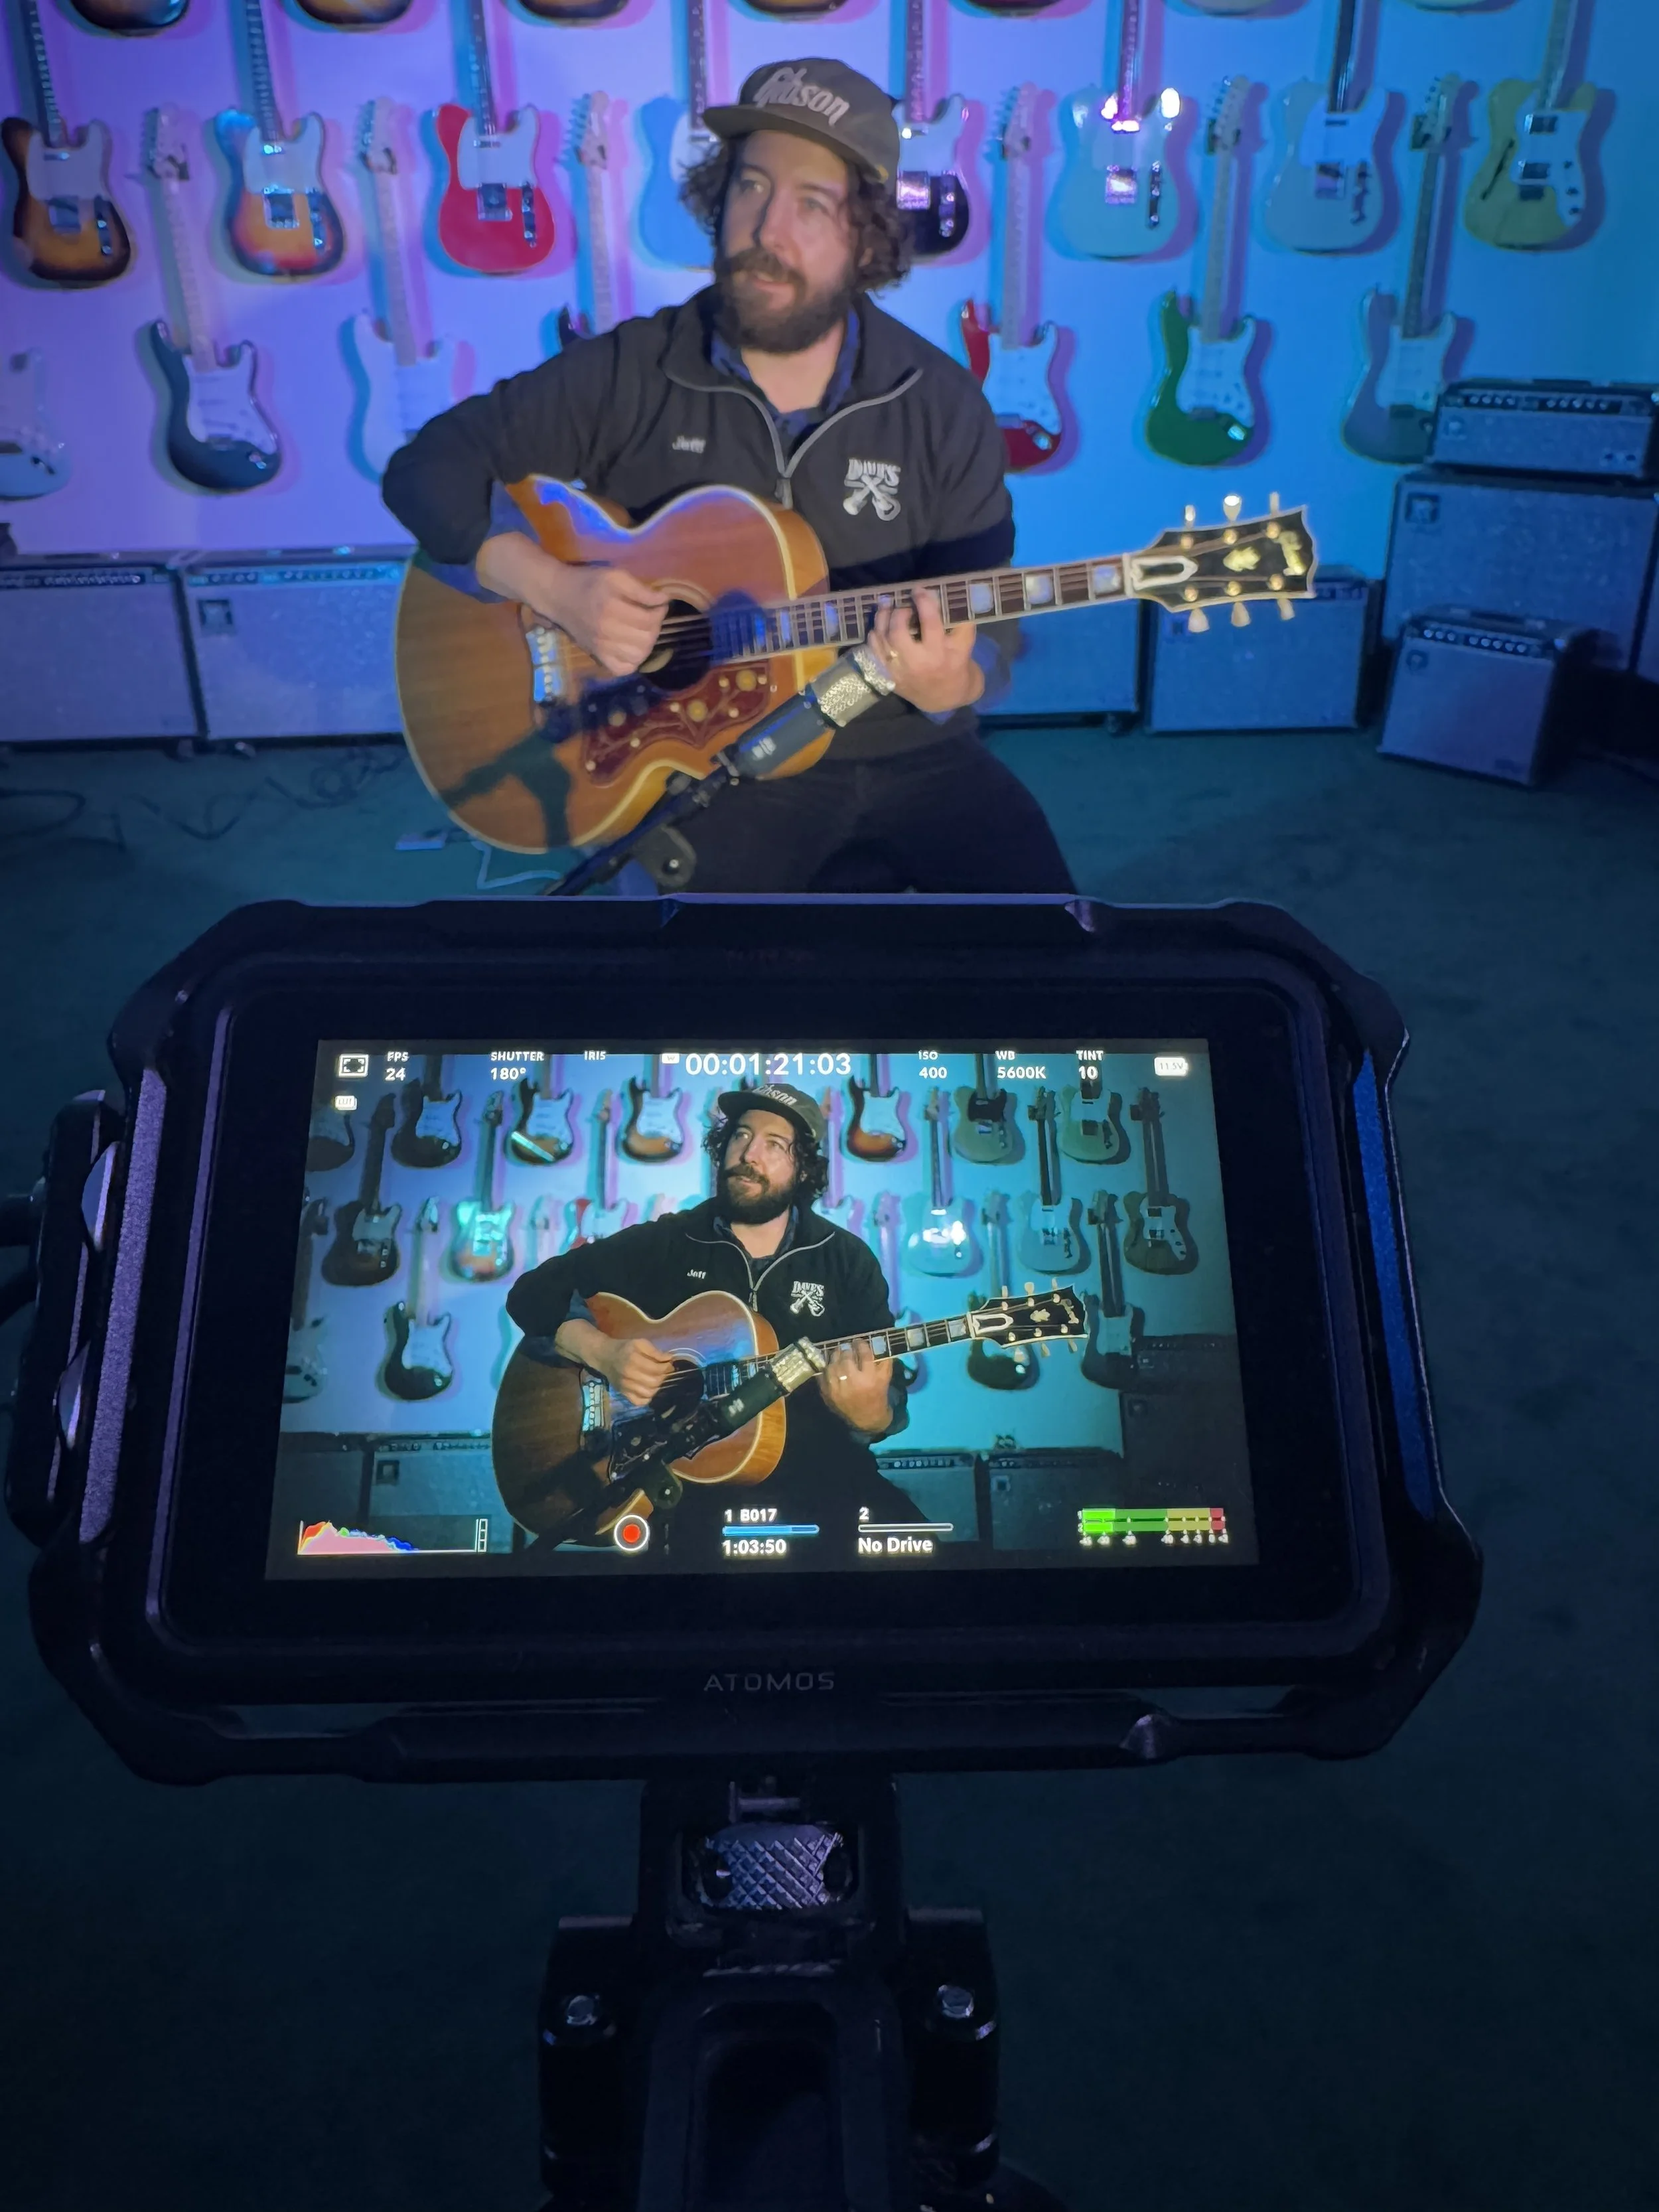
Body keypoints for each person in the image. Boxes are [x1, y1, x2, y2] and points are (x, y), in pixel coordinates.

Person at [381, 58, 1074, 895]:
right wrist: (557, 591)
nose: (764, 231)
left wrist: (952, 681)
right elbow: (427, 470)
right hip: (707, 764)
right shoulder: (634, 368)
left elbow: (987, 615)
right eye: (749, 188)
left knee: (1048, 948)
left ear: (867, 239)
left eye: (811, 206)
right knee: (698, 995)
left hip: (906, 749)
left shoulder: (940, 403)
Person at [504, 1083, 930, 1566]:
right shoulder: (669, 1241)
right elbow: (532, 1293)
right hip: (680, 1491)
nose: (749, 1153)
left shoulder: (847, 1260)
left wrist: (871, 1416)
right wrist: (603, 1353)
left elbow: (888, 1401)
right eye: (740, 1136)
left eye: (774, 1144)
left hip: (823, 1484)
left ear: (805, 1165)